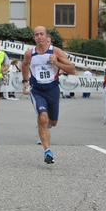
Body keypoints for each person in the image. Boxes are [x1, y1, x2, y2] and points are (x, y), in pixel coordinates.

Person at [21, 26, 75, 164]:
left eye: (41, 34)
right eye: (36, 35)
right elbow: (25, 65)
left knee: (53, 122)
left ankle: (45, 124)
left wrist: (57, 62)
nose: (39, 37)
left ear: (46, 36)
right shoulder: (30, 53)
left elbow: (72, 69)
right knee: (43, 117)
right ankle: (47, 151)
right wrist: (25, 81)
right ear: (34, 37)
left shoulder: (55, 51)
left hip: (53, 90)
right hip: (37, 90)